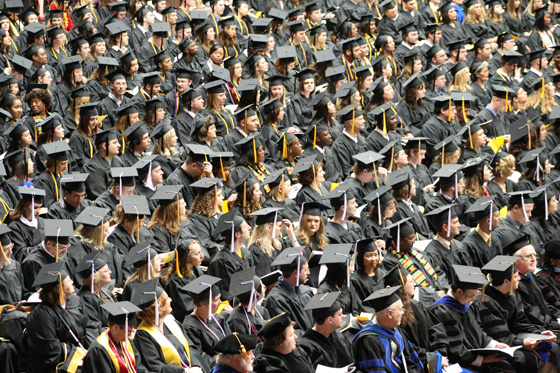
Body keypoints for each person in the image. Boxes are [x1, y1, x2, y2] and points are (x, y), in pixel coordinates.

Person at [430, 265, 515, 371]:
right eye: (471, 295)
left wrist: (495, 345)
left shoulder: (467, 304)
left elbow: (478, 331)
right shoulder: (442, 310)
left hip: (477, 359)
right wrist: (482, 360)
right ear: (459, 292)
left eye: (476, 294)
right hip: (461, 364)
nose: (475, 298)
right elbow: (454, 349)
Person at [24, 262, 93, 372]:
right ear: (58, 288)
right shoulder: (41, 315)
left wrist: (92, 349)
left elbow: (89, 325)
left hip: (81, 353)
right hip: (58, 364)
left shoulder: (76, 301)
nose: (73, 282)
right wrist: (79, 354)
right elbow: (50, 349)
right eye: (69, 281)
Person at [133, 278, 209, 373]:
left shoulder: (171, 322)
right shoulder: (143, 335)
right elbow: (156, 366)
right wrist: (185, 371)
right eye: (167, 298)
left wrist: (196, 366)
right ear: (159, 307)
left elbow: (190, 347)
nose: (170, 299)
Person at [352, 285, 424, 373]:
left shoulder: (395, 330)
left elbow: (409, 357)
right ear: (390, 314)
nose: (403, 313)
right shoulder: (369, 341)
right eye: (400, 309)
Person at [81, 301, 148, 373]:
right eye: (128, 331)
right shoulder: (99, 350)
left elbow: (140, 368)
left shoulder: (127, 342)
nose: (131, 335)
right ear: (115, 328)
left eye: (133, 331)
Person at [208, 208, 254, 302]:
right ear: (237, 234)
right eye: (245, 227)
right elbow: (227, 293)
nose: (250, 227)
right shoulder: (222, 261)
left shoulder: (246, 253)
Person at [263, 247, 314, 332]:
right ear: (295, 273)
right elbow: (287, 331)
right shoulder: (275, 299)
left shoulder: (305, 289)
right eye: (305, 270)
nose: (308, 272)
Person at [182, 275, 229, 361]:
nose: (220, 303)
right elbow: (200, 357)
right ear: (203, 303)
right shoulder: (190, 327)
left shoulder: (219, 318)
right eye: (216, 300)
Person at [226, 267, 270, 337]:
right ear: (256, 294)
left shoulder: (262, 310)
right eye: (262, 286)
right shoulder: (236, 320)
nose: (264, 286)